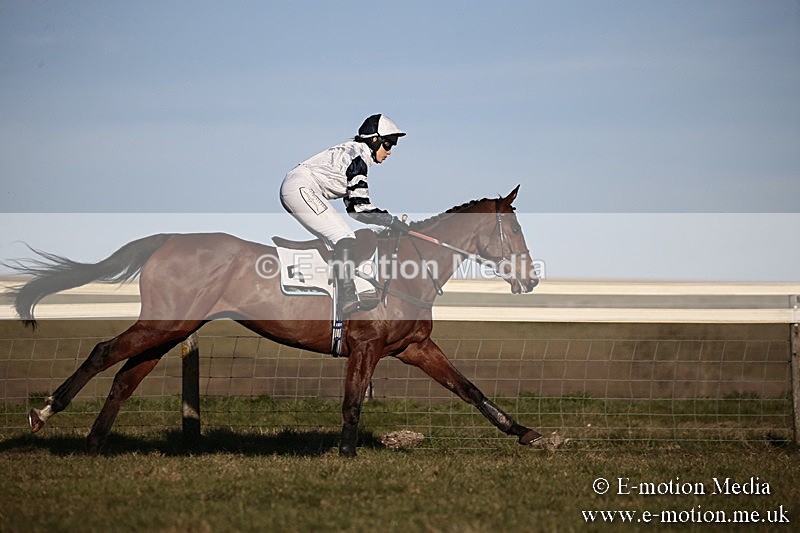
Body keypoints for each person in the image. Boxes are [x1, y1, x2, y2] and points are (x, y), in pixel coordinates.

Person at [280, 114, 411, 315]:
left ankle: (358, 286)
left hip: (302, 187)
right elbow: (361, 209)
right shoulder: (358, 159)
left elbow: (354, 210)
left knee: (340, 237)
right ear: (374, 140)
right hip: (301, 187)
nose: (390, 151)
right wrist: (391, 221)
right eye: (389, 144)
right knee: (344, 237)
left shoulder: (356, 155)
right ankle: (346, 297)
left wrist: (387, 220)